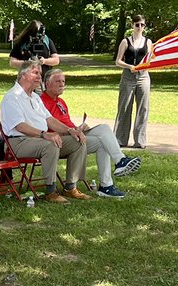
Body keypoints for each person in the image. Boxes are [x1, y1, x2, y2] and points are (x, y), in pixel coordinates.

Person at [41, 68, 141, 199]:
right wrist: (72, 131)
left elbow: (67, 124)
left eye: (63, 82)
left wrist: (79, 127)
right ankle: (118, 164)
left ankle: (108, 183)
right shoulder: (41, 101)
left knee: (104, 133)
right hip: (60, 140)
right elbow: (48, 126)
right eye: (57, 82)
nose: (62, 85)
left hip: (73, 134)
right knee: (103, 140)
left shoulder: (61, 102)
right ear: (47, 84)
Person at [0, 61, 86, 203]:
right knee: (50, 144)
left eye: (40, 73)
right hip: (18, 142)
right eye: (35, 73)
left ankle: (70, 187)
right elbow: (20, 126)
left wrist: (70, 130)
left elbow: (50, 120)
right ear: (23, 75)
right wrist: (44, 134)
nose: (40, 77)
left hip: (38, 140)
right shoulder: (12, 97)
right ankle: (50, 191)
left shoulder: (34, 97)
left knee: (78, 141)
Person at [114, 16, 153, 148]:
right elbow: (118, 61)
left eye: (142, 25)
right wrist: (129, 66)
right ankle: (120, 139)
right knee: (124, 107)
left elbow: (150, 59)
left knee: (143, 108)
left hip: (143, 77)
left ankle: (140, 141)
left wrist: (143, 67)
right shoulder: (126, 42)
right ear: (132, 26)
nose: (140, 27)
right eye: (137, 25)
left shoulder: (148, 42)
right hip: (128, 77)